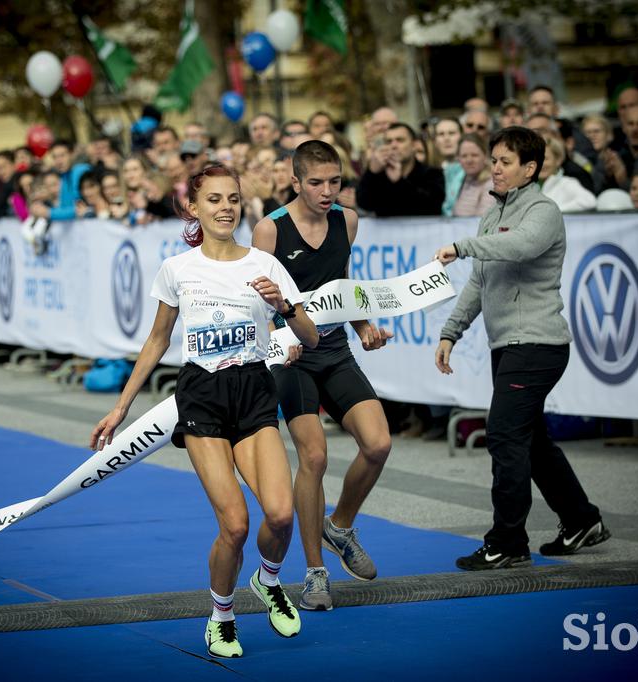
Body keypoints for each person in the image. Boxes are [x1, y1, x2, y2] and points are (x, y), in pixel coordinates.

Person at [91, 165, 319, 659]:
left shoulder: (265, 265)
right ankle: (220, 615)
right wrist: (121, 407)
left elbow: (310, 337)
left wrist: (285, 306)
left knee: (280, 517)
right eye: (213, 199)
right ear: (193, 207)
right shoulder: (178, 269)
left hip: (255, 391)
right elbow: (156, 341)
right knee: (235, 525)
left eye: (233, 199)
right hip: (203, 395)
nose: (225, 208)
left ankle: (269, 579)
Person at [433, 127, 610, 570]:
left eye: (505, 161)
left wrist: (462, 245)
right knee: (532, 441)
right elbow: (479, 281)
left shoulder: (544, 211)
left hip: (537, 343)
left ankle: (508, 542)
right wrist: (451, 331)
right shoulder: (491, 215)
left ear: (529, 169)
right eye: (493, 159)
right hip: (510, 344)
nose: (495, 167)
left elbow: (521, 246)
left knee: (505, 436)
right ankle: (581, 520)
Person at [252, 140, 392, 610]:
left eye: (335, 181)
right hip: (291, 357)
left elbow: (342, 284)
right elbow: (258, 304)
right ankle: (315, 573)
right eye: (316, 183)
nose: (328, 191)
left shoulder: (347, 220)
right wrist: (281, 339)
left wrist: (365, 326)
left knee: (378, 444)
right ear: (295, 182)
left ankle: (340, 526)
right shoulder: (269, 230)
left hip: (333, 349)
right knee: (313, 457)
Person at [356, 122, 445, 216]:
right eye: (389, 141)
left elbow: (431, 206)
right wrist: (371, 172)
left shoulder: (433, 174)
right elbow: (364, 203)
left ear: (414, 145)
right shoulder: (380, 175)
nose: (393, 145)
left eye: (400, 140)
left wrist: (399, 182)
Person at [538, 135, 597, 212]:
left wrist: (556, 211)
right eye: (536, 159)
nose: (541, 164)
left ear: (558, 160)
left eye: (545, 159)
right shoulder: (529, 186)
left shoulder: (566, 183)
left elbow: (590, 202)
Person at [452, 134, 494, 217]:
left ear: (485, 156)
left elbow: (482, 220)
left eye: (474, 155)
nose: (469, 160)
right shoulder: (462, 180)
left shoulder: (491, 183)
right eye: (464, 156)